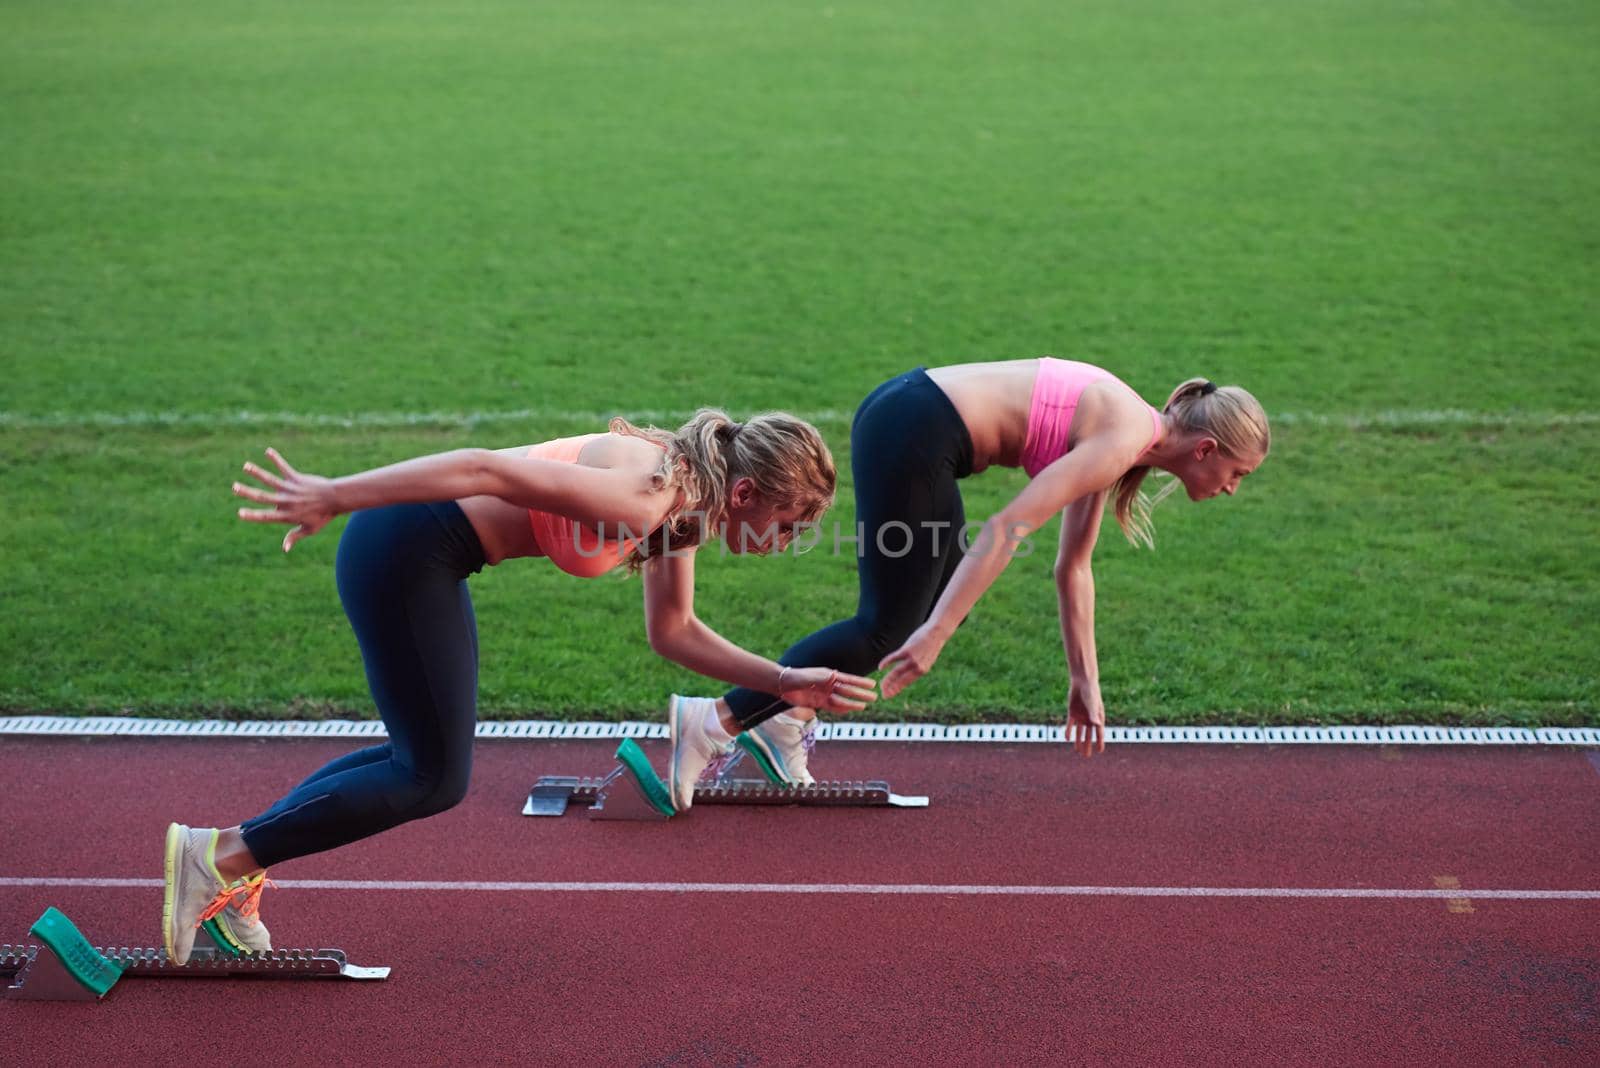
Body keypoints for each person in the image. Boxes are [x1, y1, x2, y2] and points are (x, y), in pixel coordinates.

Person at [161, 410, 877, 965]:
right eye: (787, 526)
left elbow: (674, 632)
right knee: (430, 776)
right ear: (747, 492)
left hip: (426, 553)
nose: (786, 543)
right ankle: (219, 858)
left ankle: (228, 862)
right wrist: (336, 496)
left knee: (420, 762)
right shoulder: (646, 496)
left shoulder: (685, 502)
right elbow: (485, 468)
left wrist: (785, 681)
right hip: (406, 545)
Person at [665, 358, 1269, 808]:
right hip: (913, 430)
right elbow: (1008, 528)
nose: (1232, 487)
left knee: (940, 593)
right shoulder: (1121, 437)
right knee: (891, 628)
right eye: (1236, 473)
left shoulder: (1128, 435)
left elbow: (1072, 568)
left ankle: (781, 718)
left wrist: (1084, 682)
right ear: (1207, 449)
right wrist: (933, 636)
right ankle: (713, 722)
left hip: (909, 417)